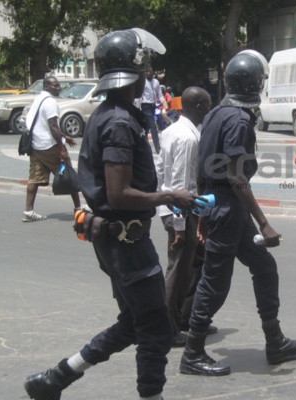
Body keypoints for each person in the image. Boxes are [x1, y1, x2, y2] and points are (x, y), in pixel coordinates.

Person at [23, 28, 199, 400]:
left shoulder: (112, 114)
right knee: (156, 329)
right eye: (145, 66)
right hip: (127, 243)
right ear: (133, 71)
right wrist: (170, 196)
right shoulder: (119, 122)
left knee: (134, 323)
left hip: (116, 239)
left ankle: (55, 379)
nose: (149, 73)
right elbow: (119, 193)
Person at [178, 49, 296, 377]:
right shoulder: (238, 119)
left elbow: (201, 167)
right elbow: (237, 177)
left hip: (220, 206)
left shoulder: (216, 113)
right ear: (255, 84)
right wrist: (264, 223)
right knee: (215, 282)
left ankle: (275, 341)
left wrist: (204, 213)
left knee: (264, 267)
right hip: (228, 206)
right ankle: (192, 353)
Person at [155, 86, 216, 347]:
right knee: (178, 270)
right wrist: (180, 226)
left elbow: (159, 170)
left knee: (190, 265)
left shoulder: (170, 131)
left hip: (172, 207)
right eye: (209, 106)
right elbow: (181, 186)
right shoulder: (188, 138)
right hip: (180, 212)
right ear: (200, 108)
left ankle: (182, 318)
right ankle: (167, 328)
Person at [22, 76, 81, 222]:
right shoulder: (50, 103)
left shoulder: (38, 100)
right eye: (55, 85)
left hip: (36, 145)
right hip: (50, 146)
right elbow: (53, 126)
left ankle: (28, 211)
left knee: (34, 178)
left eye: (58, 85)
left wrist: (64, 136)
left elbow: (43, 124)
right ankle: (78, 208)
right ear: (46, 86)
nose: (58, 87)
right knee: (68, 174)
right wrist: (62, 147)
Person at [140, 67, 167, 154]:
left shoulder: (156, 82)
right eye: (146, 71)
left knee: (146, 127)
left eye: (150, 71)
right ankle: (158, 148)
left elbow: (160, 95)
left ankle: (144, 147)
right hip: (145, 106)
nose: (148, 73)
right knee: (153, 127)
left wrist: (165, 105)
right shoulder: (143, 82)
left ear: (153, 73)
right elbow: (139, 96)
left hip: (152, 106)